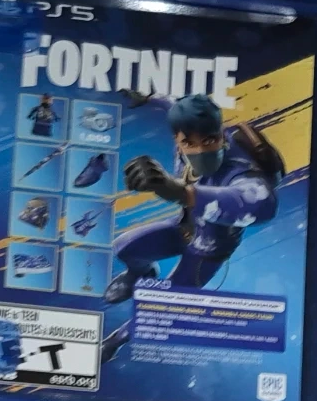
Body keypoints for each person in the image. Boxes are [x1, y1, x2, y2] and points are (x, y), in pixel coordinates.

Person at [104, 92, 281, 303]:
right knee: (124, 248)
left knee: (165, 303)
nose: (200, 150)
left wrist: (181, 193)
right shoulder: (184, 138)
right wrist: (148, 97)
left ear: (222, 135)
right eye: (189, 143)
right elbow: (173, 104)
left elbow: (259, 203)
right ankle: (141, 274)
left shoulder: (239, 169)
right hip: (184, 227)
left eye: (209, 141)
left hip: (209, 249)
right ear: (177, 140)